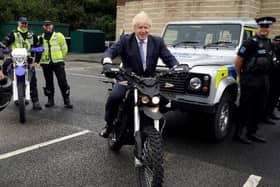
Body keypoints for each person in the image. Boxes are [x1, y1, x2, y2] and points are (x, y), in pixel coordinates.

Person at [99, 11, 179, 138]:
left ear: (149, 28)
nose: (143, 30)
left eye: (146, 27)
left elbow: (168, 57)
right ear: (134, 28)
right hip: (127, 79)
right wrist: (107, 62)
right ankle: (109, 124)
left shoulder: (157, 42)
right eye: (140, 27)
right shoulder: (126, 40)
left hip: (148, 81)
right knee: (115, 97)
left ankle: (152, 125)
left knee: (165, 101)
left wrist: (176, 66)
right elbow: (111, 51)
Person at [234, 16, 276, 144]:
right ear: (258, 27)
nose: (264, 29)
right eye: (262, 27)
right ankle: (239, 134)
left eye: (266, 27)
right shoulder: (250, 42)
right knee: (246, 107)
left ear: (269, 28)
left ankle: (252, 132)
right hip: (250, 78)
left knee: (260, 106)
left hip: (263, 79)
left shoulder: (269, 43)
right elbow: (238, 61)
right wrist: (240, 77)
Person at [1, 17, 42, 110]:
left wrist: (37, 61)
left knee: (32, 80)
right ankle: (5, 88)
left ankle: (35, 101)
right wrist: (3, 45)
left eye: (25, 23)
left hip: (28, 60)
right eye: (22, 23)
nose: (23, 25)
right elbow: (6, 42)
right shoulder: (13, 33)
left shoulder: (32, 35)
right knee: (4, 67)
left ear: (27, 24)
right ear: (18, 23)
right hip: (15, 59)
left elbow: (38, 47)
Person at [38, 20, 73, 108]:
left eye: (49, 25)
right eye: (46, 26)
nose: (48, 27)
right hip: (46, 63)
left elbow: (64, 48)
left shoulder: (59, 36)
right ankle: (50, 100)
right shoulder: (40, 38)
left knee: (62, 81)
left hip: (58, 62)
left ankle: (66, 99)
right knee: (48, 82)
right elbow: (38, 50)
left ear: (52, 26)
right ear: (43, 27)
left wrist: (60, 57)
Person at [262, 35, 280, 124]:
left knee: (275, 97)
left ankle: (270, 113)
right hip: (271, 77)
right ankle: (265, 116)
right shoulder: (271, 51)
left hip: (276, 77)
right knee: (270, 97)